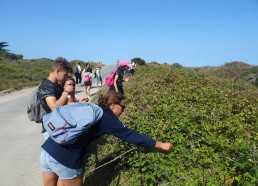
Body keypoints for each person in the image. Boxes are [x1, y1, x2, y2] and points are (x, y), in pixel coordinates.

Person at [40, 91, 173, 186]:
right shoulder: (107, 118)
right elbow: (131, 136)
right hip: (66, 159)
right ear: (113, 105)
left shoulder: (93, 108)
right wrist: (160, 144)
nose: (124, 111)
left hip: (48, 150)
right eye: (123, 107)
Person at [37, 57, 73, 135]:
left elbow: (63, 103)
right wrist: (66, 91)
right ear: (57, 71)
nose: (66, 77)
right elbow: (54, 108)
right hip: (52, 129)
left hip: (60, 126)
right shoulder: (46, 85)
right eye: (65, 75)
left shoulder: (56, 85)